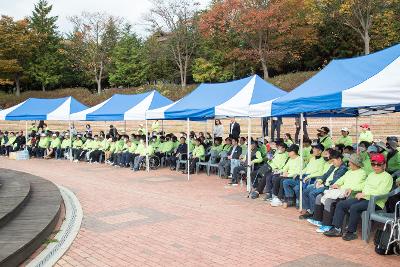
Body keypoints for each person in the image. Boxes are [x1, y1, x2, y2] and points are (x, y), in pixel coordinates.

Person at [324, 153, 393, 241]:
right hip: (364, 199)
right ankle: (337, 229)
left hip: (376, 202)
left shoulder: (387, 177)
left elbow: (382, 192)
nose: (375, 167)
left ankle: (351, 232)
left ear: (384, 164)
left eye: (378, 164)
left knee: (354, 207)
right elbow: (363, 185)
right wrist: (351, 189)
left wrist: (365, 194)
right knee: (341, 204)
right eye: (373, 164)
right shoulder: (371, 175)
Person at [309, 154, 366, 233]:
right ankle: (318, 219)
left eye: (350, 162)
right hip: (339, 191)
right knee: (319, 196)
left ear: (355, 163)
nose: (348, 163)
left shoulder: (362, 173)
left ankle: (327, 224)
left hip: (348, 194)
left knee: (329, 201)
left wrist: (350, 188)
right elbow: (341, 179)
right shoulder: (349, 172)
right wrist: (337, 184)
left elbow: (361, 185)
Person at [299, 150, 348, 220]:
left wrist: (324, 184)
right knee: (306, 191)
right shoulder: (333, 166)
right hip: (324, 184)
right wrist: (320, 181)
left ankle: (314, 213)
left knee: (312, 193)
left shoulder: (343, 169)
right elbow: (326, 174)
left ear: (339, 159)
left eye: (333, 161)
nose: (332, 163)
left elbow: (335, 181)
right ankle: (309, 210)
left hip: (329, 187)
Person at [282, 143, 326, 208]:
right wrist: (299, 173)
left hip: (310, 179)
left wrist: (308, 176)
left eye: (315, 149)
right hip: (303, 177)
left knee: (297, 188)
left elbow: (320, 173)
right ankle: (290, 199)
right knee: (286, 182)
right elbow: (306, 168)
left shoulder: (322, 161)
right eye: (313, 148)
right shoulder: (312, 158)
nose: (313, 150)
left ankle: (299, 201)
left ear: (320, 151)